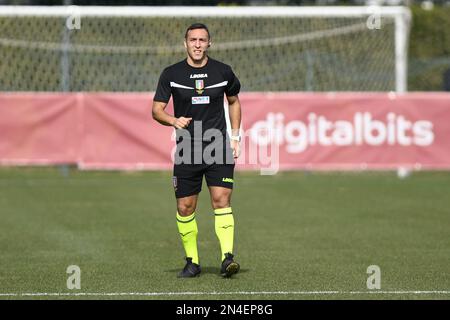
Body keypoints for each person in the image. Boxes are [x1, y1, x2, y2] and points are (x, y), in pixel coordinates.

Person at [152, 23, 242, 278]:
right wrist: (173, 120)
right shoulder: (171, 73)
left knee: (221, 200)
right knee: (185, 207)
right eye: (193, 39)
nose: (198, 44)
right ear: (185, 43)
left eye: (202, 39)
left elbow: (234, 101)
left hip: (218, 146)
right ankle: (192, 262)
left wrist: (235, 137)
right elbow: (156, 109)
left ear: (209, 43)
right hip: (187, 150)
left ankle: (228, 259)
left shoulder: (223, 71)